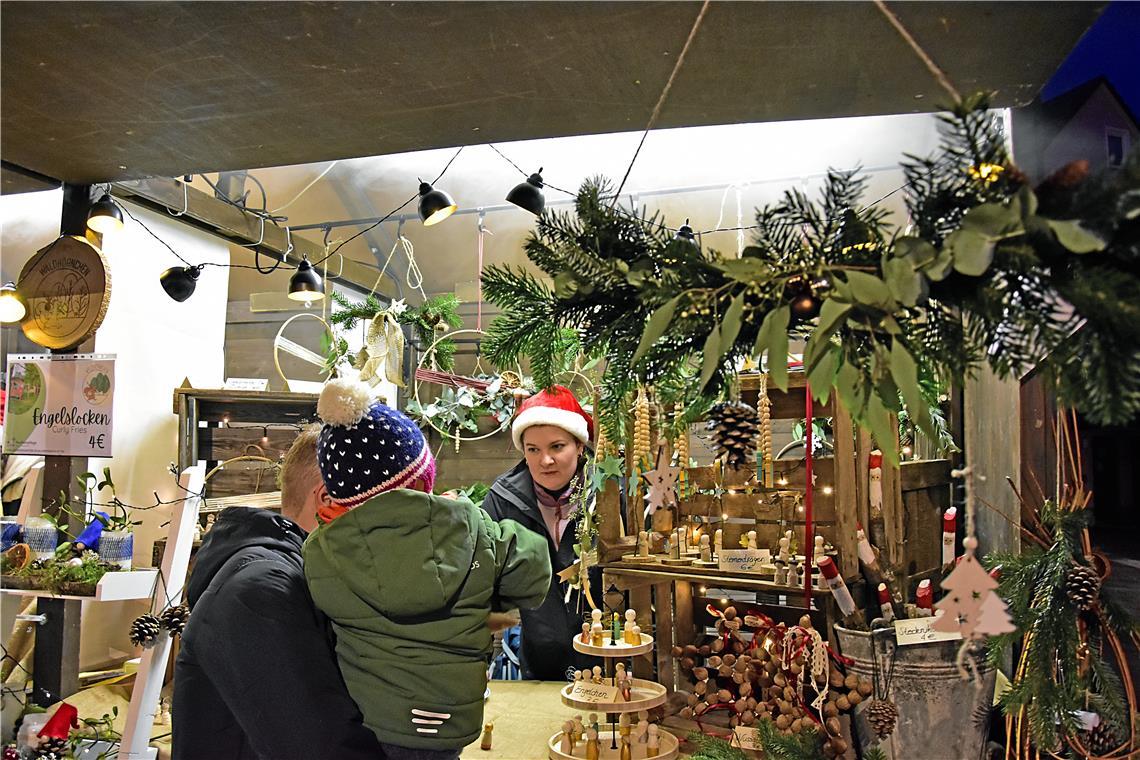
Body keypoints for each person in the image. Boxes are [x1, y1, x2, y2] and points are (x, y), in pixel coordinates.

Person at [303, 378, 552, 759]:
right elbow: (533, 575)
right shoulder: (474, 527)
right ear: (422, 479)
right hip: (453, 719)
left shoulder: (320, 554)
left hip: (371, 720)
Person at [172, 426, 382, 760]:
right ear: (327, 500)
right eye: (385, 510)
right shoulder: (260, 591)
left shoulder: (296, 576)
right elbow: (322, 749)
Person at [480, 385, 603, 681]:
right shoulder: (503, 500)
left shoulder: (609, 495)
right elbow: (482, 580)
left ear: (579, 445)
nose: (544, 461)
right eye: (533, 449)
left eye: (557, 447)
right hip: (540, 661)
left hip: (610, 656)